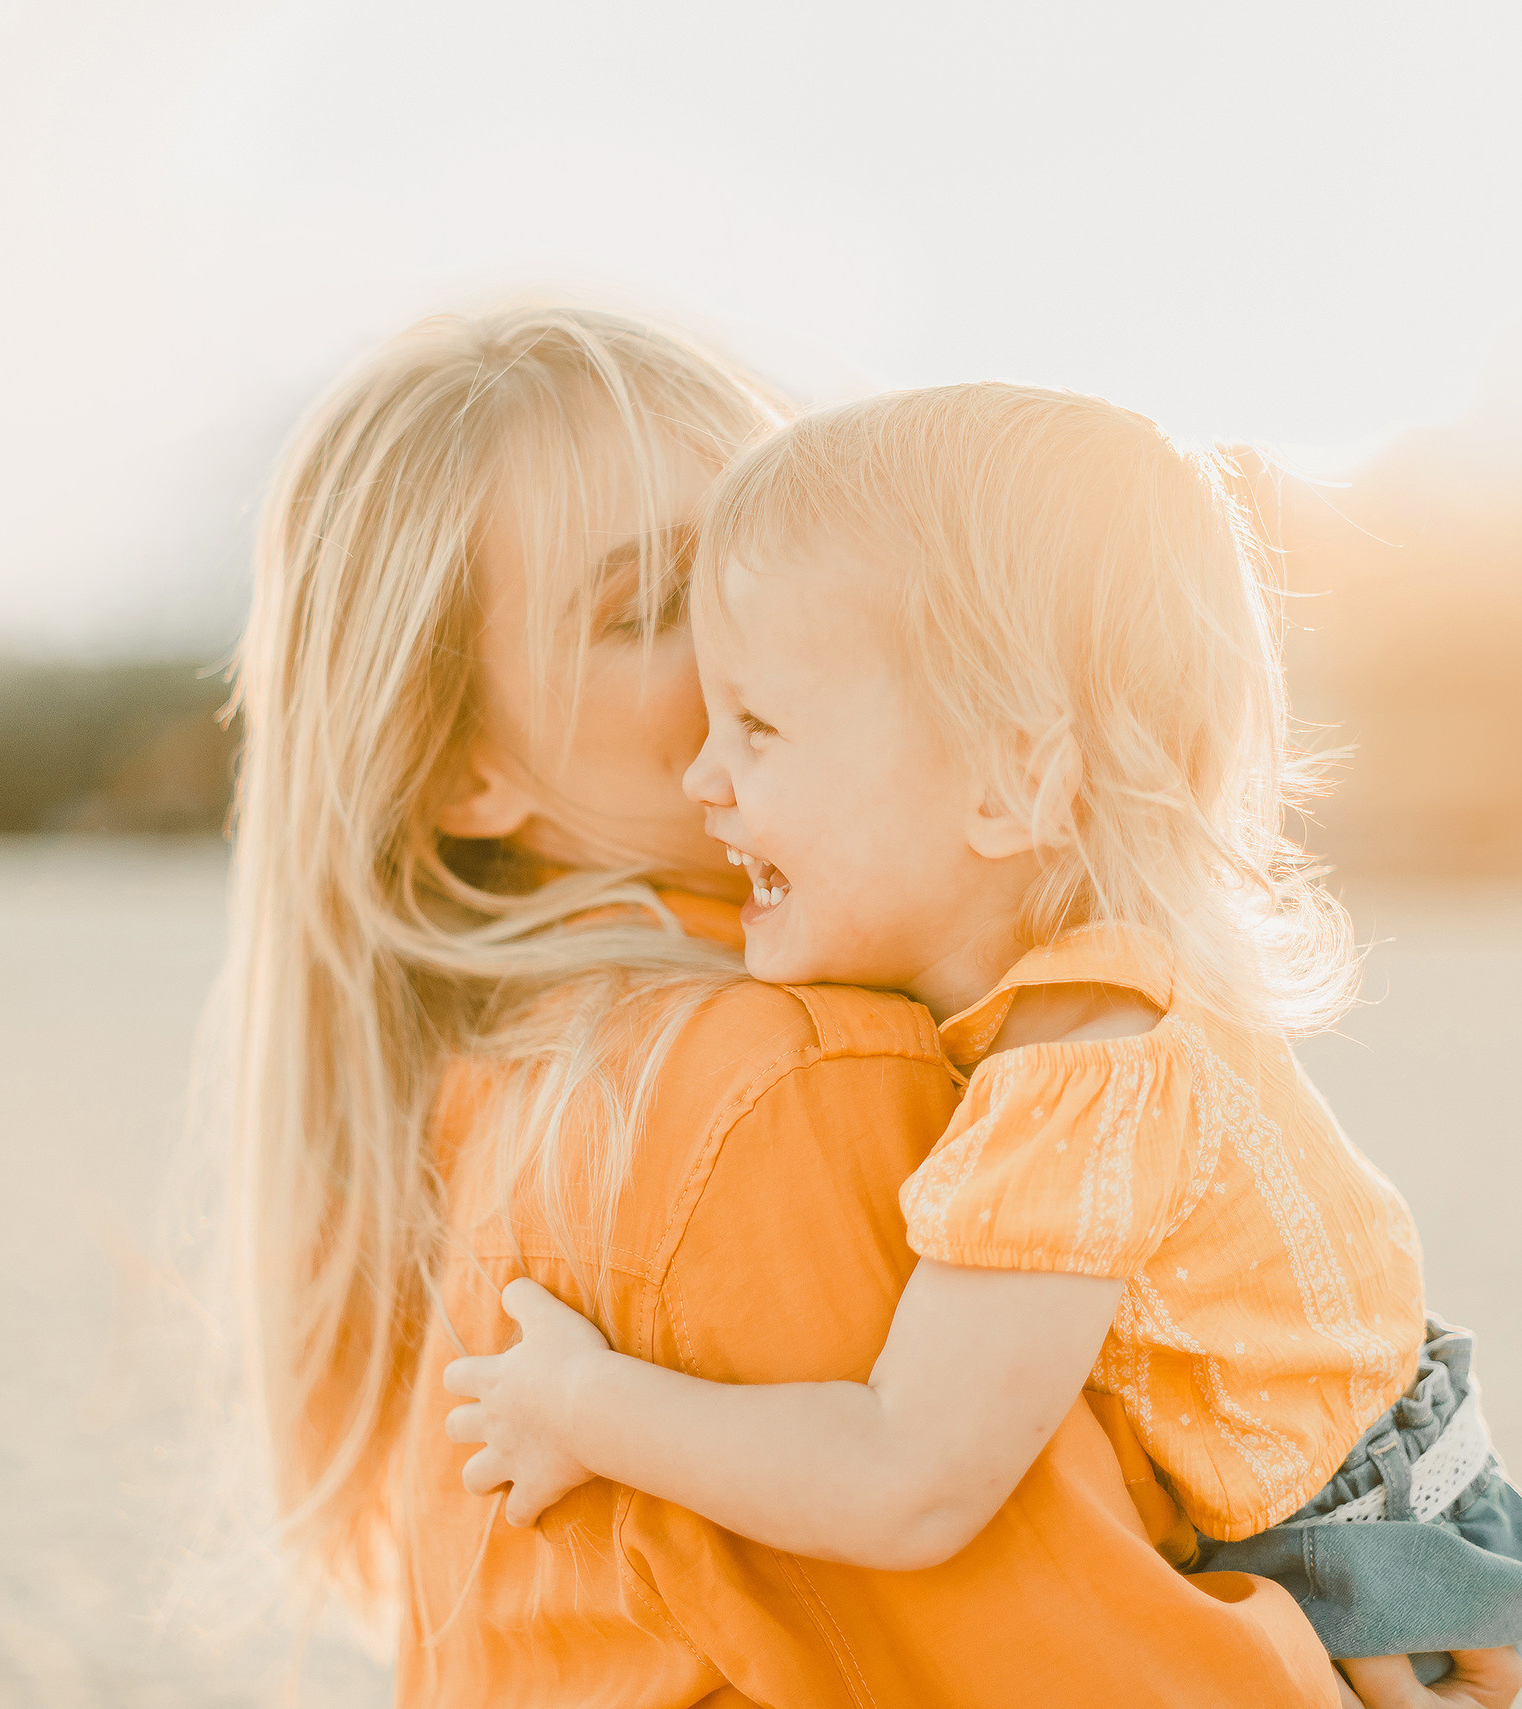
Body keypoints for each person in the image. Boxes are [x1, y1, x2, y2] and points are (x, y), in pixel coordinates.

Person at [225, 309, 1352, 1705]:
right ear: (461, 773)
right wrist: (1359, 1637)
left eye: (775, 553)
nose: (748, 645)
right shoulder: (784, 1082)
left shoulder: (508, 1080)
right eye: (652, 607)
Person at [442, 383, 1522, 1701]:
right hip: (1393, 1487)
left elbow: (906, 1479)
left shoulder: (1079, 1072)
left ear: (1007, 783)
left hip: (1353, 1560)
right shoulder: (1111, 992)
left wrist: (585, 1407)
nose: (707, 775)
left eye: (759, 726)